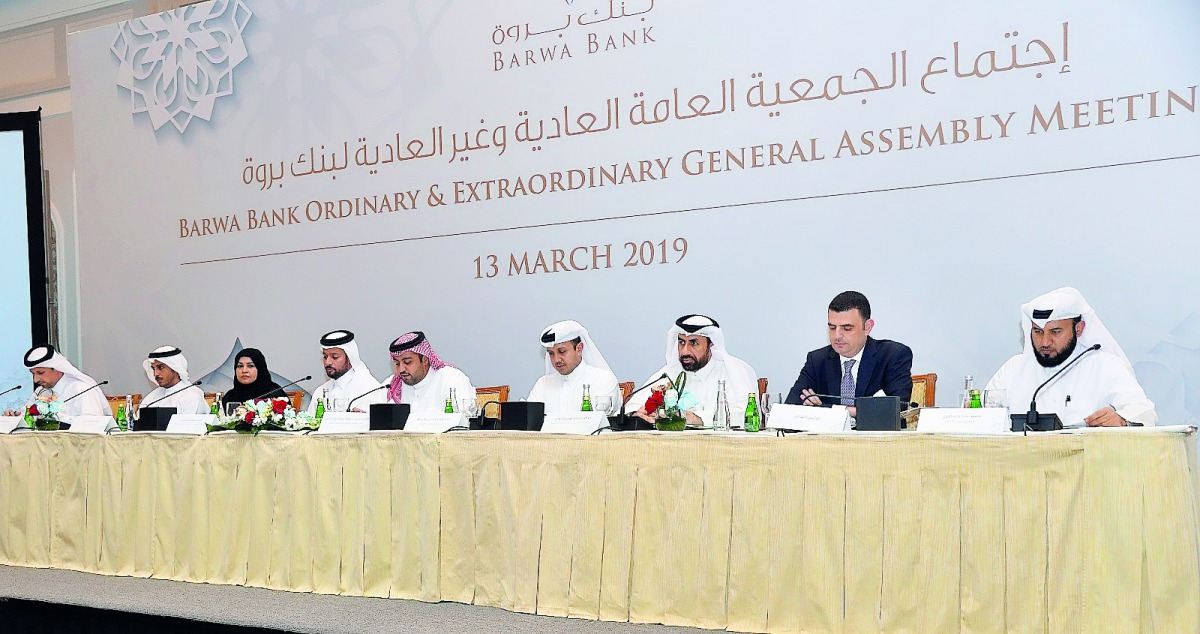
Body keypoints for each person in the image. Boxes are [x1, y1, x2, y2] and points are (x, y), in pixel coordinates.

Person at [985, 287, 1156, 427]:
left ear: (1079, 329)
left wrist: (1122, 420)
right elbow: (982, 415)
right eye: (1038, 332)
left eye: (1055, 332)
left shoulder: (1106, 365)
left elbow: (1144, 412)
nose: (1045, 341)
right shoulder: (1014, 368)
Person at [785, 291, 914, 416]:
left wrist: (824, 410)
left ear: (868, 327)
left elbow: (895, 409)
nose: (837, 336)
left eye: (847, 328)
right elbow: (791, 407)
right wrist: (859, 411)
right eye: (832, 327)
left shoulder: (893, 355)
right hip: (829, 438)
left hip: (876, 437)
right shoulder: (817, 360)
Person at [634, 314, 758, 426]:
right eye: (682, 342)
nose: (685, 351)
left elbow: (744, 415)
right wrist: (638, 415)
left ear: (711, 344)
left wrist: (697, 418)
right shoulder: (669, 373)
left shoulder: (732, 372)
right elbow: (631, 408)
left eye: (694, 343)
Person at [528, 320, 621, 414]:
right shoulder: (543, 384)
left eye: (562, 351)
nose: (556, 360)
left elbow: (598, 425)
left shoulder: (603, 380)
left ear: (579, 349)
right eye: (551, 353)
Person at [4, 345, 109, 417]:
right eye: (33, 374)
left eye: (40, 373)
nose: (35, 380)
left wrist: (57, 419)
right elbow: (25, 416)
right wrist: (14, 417)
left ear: (57, 368)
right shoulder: (40, 392)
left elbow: (93, 426)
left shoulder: (81, 389)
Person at [386, 331, 476, 414]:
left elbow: (462, 421)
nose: (401, 369)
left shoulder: (452, 379)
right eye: (397, 363)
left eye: (407, 362)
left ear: (425, 360)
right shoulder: (391, 385)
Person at [305, 330, 385, 413]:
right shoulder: (321, 392)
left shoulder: (369, 390)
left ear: (349, 358)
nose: (328, 362)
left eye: (334, 357)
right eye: (325, 357)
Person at [140, 346, 208, 414]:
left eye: (161, 367)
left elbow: (188, 424)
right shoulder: (153, 397)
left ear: (175, 368)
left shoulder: (191, 396)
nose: (155, 373)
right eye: (153, 368)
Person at [219, 348, 286, 411]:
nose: (244, 370)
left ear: (260, 369)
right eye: (240, 366)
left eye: (250, 366)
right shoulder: (229, 397)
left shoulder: (275, 395)